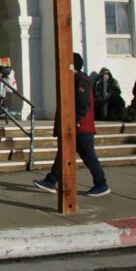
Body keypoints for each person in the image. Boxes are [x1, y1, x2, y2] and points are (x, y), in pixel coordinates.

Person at [34, 53, 110, 197]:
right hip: (75, 127)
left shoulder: (80, 79)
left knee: (88, 157)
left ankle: (101, 184)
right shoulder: (73, 79)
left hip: (80, 127)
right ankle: (51, 180)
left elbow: (83, 103)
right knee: (64, 154)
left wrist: (74, 120)